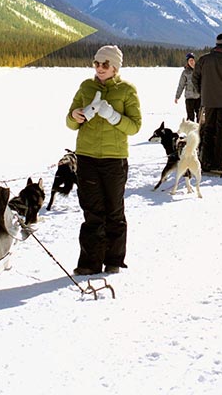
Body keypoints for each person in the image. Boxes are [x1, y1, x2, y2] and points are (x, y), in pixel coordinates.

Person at [66, 45, 142, 276]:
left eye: (105, 64)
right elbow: (70, 122)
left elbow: (135, 126)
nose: (100, 68)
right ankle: (89, 263)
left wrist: (113, 116)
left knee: (114, 211)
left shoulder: (127, 90)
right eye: (96, 63)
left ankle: (113, 260)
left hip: (114, 159)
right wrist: (75, 115)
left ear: (115, 67)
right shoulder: (86, 87)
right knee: (91, 211)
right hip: (87, 156)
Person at [192, 32, 222, 177]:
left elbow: (195, 78)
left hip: (208, 101)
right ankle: (220, 163)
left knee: (208, 129)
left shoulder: (203, 59)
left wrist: (203, 92)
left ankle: (205, 162)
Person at [174, 52, 201, 121]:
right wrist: (177, 96)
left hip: (199, 97)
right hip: (189, 98)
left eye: (192, 60)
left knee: (200, 116)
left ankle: (199, 130)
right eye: (190, 61)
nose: (191, 62)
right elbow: (181, 85)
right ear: (187, 62)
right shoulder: (185, 72)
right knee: (190, 117)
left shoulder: (200, 70)